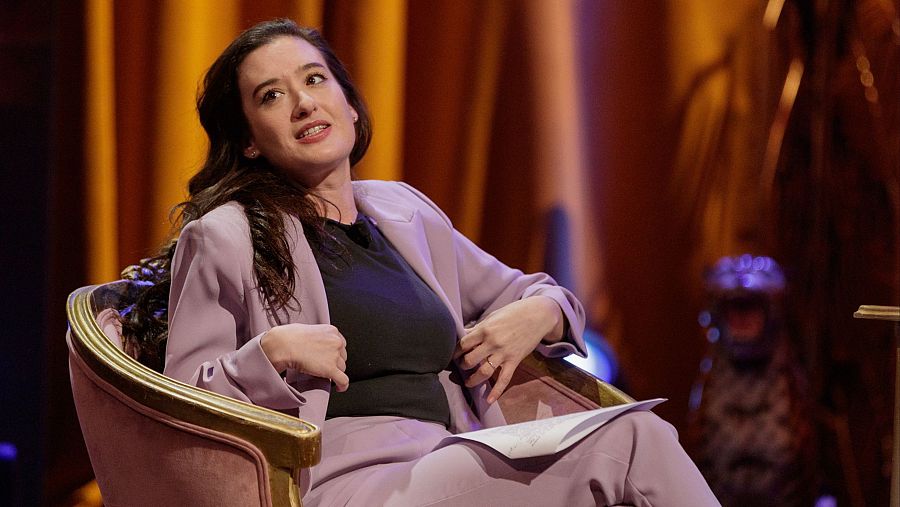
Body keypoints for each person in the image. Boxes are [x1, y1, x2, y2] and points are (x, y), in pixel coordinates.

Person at [129, 18, 719, 506]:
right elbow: (181, 406)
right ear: (251, 139)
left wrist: (538, 313)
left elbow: (536, 292)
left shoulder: (402, 211)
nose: (304, 101)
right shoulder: (227, 235)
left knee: (639, 433)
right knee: (629, 437)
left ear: (350, 108)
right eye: (272, 95)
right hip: (345, 482)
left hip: (450, 454)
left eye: (315, 79)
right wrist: (271, 354)